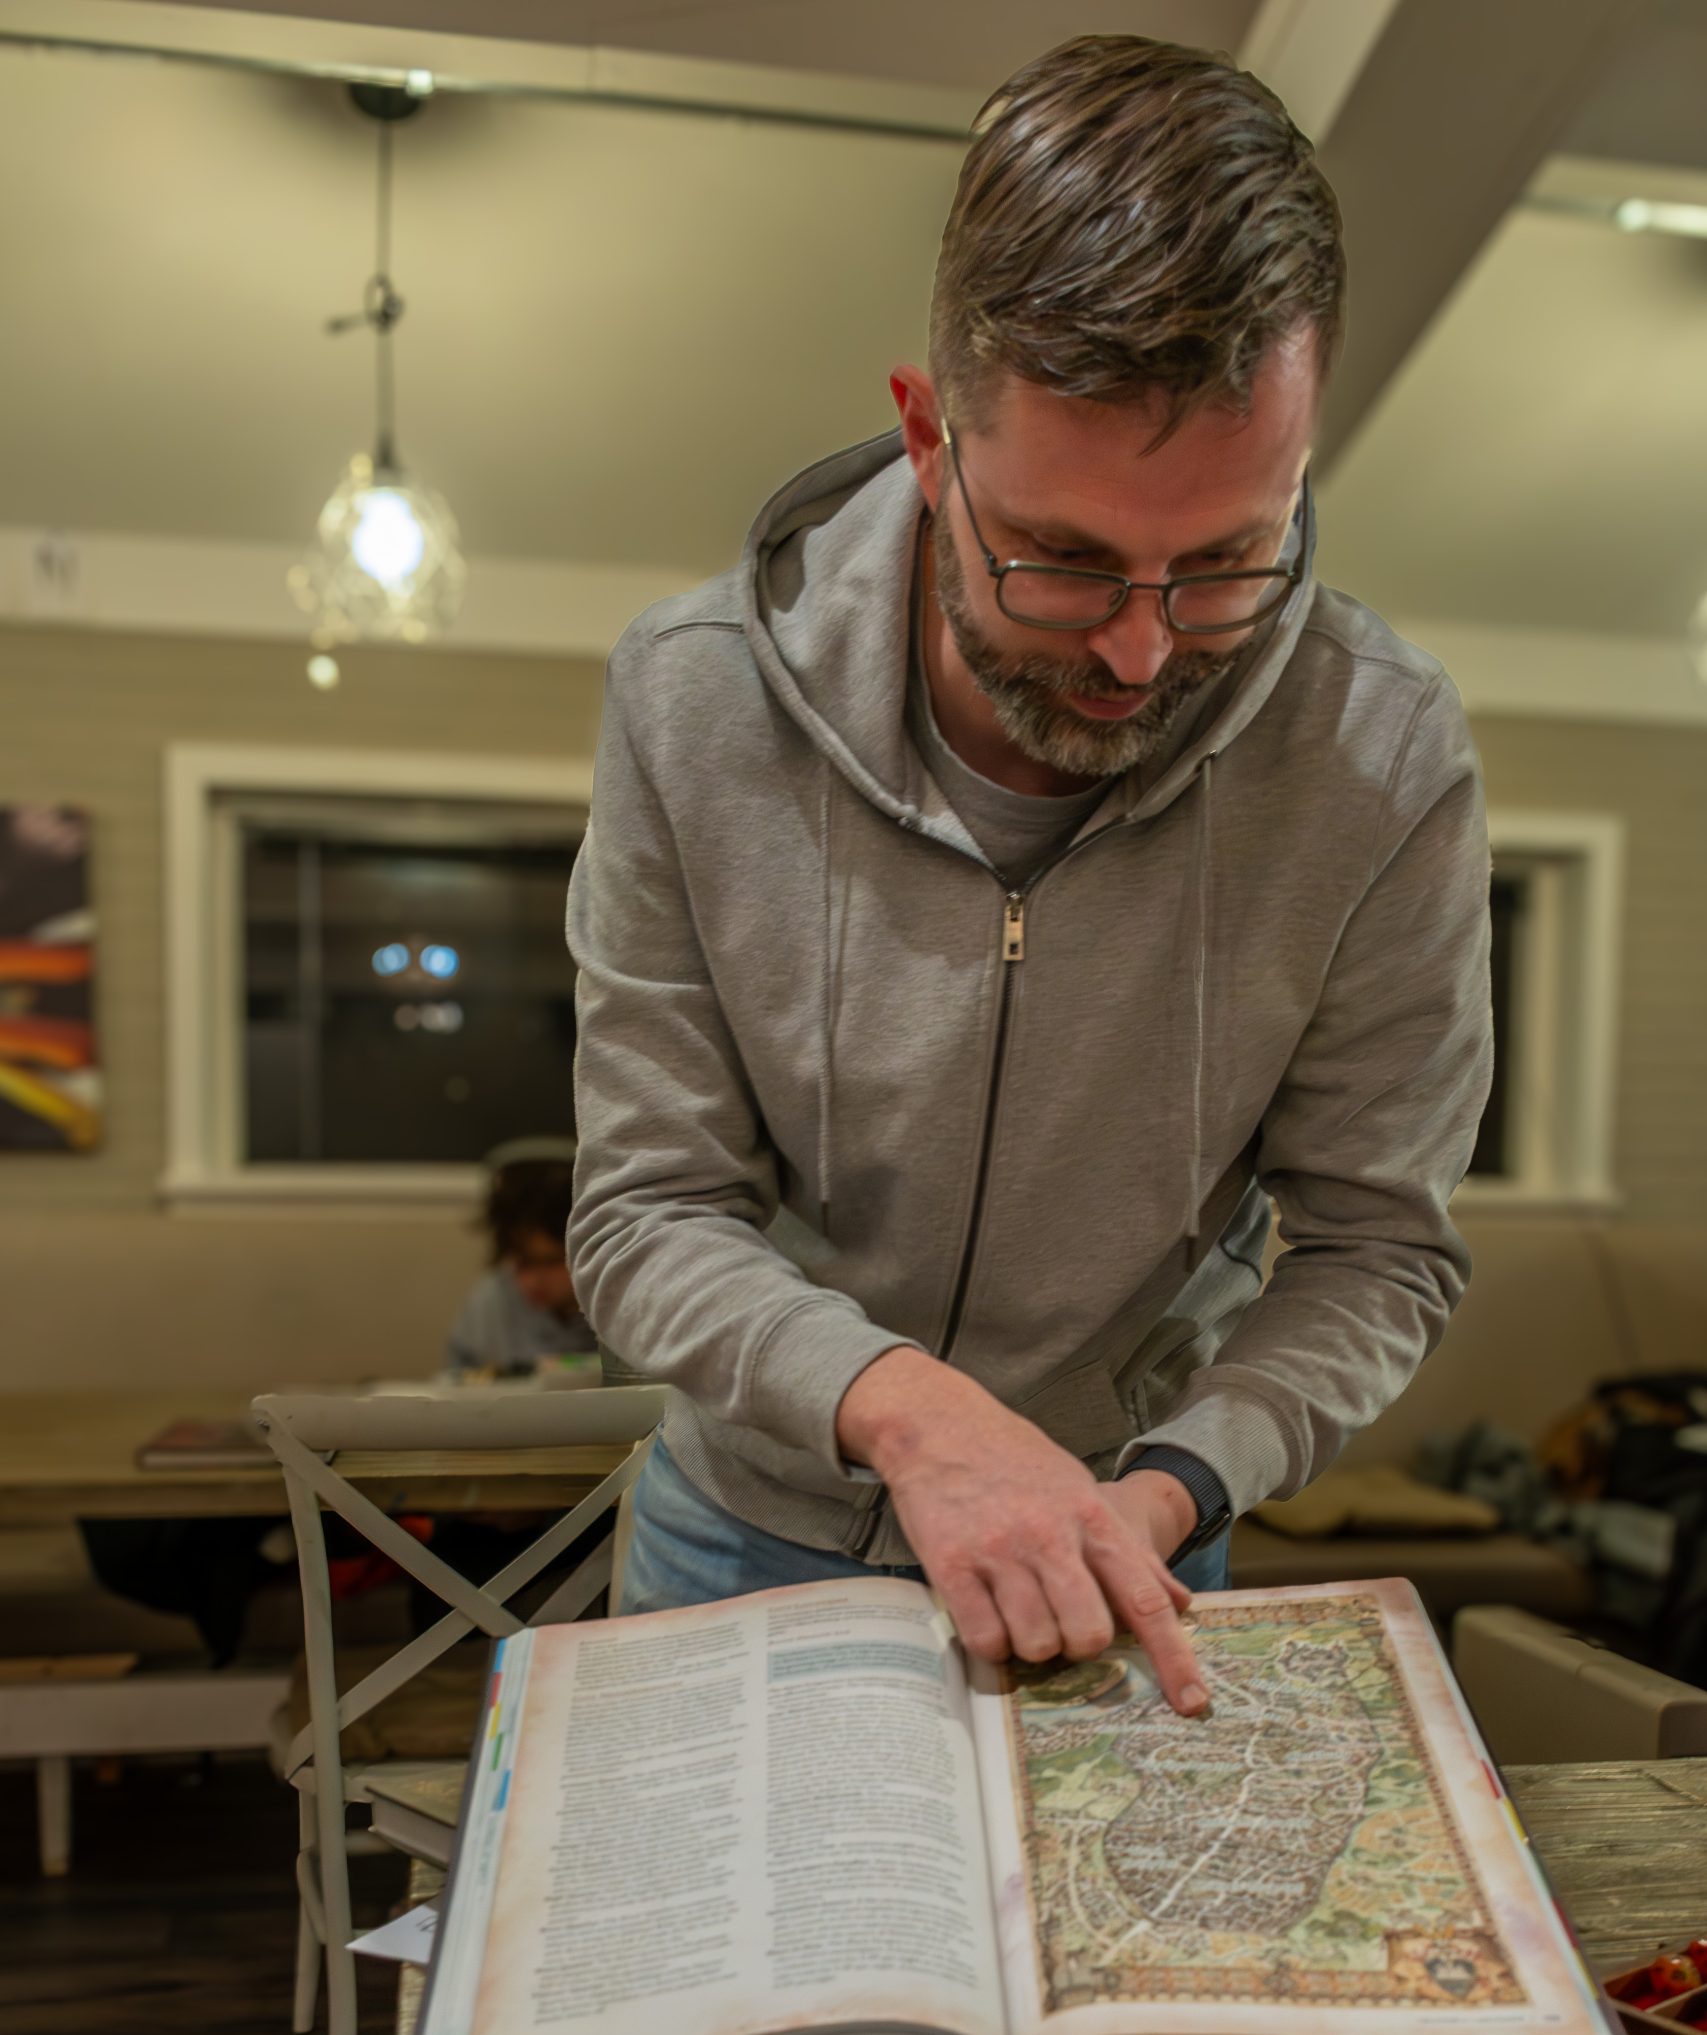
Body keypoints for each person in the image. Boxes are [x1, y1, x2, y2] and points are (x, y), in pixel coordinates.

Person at [567, 36, 1492, 1717]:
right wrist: (916, 1419)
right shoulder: (690, 702)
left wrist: (1165, 1484)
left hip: (1125, 1542)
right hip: (743, 1536)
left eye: (1225, 561)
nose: (1142, 655)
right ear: (927, 438)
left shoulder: (1384, 757)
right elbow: (645, 1214)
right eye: (1062, 560)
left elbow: (1378, 1249)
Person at [446, 1139, 596, 1372]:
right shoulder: (490, 1305)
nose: (533, 1281)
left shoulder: (615, 1298)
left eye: (551, 1261)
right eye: (523, 1263)